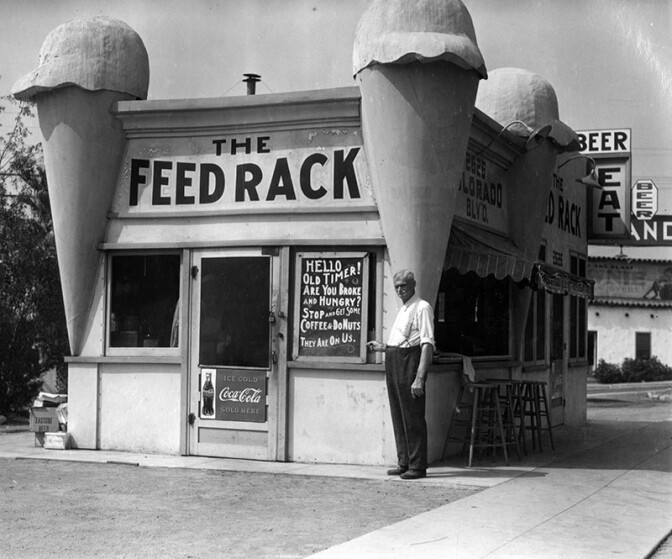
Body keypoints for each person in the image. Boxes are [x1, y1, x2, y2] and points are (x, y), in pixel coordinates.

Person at [367, 269, 435, 480]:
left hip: (410, 363)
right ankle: (404, 461)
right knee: (398, 413)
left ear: (413, 285)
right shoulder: (404, 308)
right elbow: (399, 341)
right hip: (394, 359)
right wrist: (383, 347)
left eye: (403, 286)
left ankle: (417, 465)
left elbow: (426, 344)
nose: (399, 290)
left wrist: (419, 377)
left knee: (413, 415)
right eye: (396, 286)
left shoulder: (422, 307)